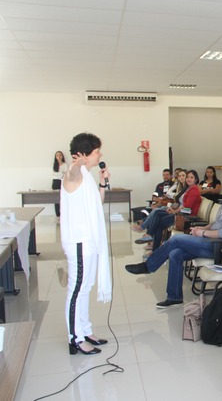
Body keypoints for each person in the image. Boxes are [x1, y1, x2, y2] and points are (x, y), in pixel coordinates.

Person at [124, 174, 222, 308]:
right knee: (175, 254)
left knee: (177, 239)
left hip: (221, 247)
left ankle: (149, 266)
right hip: (211, 241)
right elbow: (216, 224)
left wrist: (202, 233)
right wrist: (202, 228)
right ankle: (174, 297)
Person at [61, 133, 111, 355]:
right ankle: (75, 338)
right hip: (79, 242)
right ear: (84, 154)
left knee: (86, 287)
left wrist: (103, 182)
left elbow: (97, 203)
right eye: (96, 151)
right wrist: (75, 165)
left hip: (90, 242)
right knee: (77, 289)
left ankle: (85, 330)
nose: (100, 154)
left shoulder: (88, 176)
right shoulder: (74, 174)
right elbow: (71, 174)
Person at [52, 150, 67, 218]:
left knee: (63, 198)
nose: (59, 156)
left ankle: (63, 214)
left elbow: (66, 174)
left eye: (60, 155)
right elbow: (53, 175)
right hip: (55, 182)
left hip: (63, 182)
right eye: (57, 155)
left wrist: (60, 174)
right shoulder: (53, 164)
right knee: (56, 199)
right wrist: (61, 173)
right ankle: (58, 215)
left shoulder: (65, 164)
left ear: (62, 156)